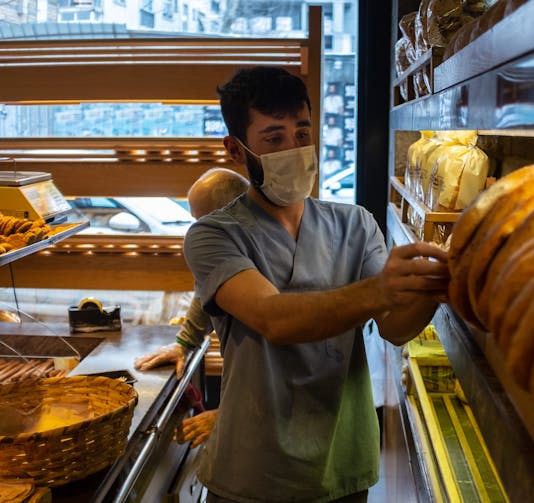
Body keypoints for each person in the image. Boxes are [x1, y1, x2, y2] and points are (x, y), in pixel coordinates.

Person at [183, 66, 449, 503]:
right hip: (256, 471)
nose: (294, 148)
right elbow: (274, 319)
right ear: (235, 149)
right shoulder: (215, 235)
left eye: (302, 133)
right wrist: (383, 288)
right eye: (274, 138)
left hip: (341, 462)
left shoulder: (355, 224)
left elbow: (395, 327)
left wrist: (433, 288)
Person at [134, 167, 250, 446]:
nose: (197, 232)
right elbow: (209, 284)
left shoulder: (271, 261)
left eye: (201, 221)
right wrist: (185, 342)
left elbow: (283, 365)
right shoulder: (228, 250)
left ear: (233, 214)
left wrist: (233, 415)